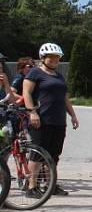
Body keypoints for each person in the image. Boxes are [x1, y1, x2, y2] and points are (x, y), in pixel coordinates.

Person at [22, 43, 79, 197]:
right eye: (51, 57)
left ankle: (50, 185)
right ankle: (31, 186)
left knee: (54, 155)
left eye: (57, 57)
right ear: (43, 58)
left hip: (58, 120)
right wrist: (32, 112)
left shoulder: (59, 76)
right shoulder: (35, 73)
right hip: (41, 120)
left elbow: (65, 98)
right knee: (38, 153)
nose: (55, 60)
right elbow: (26, 93)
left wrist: (72, 115)